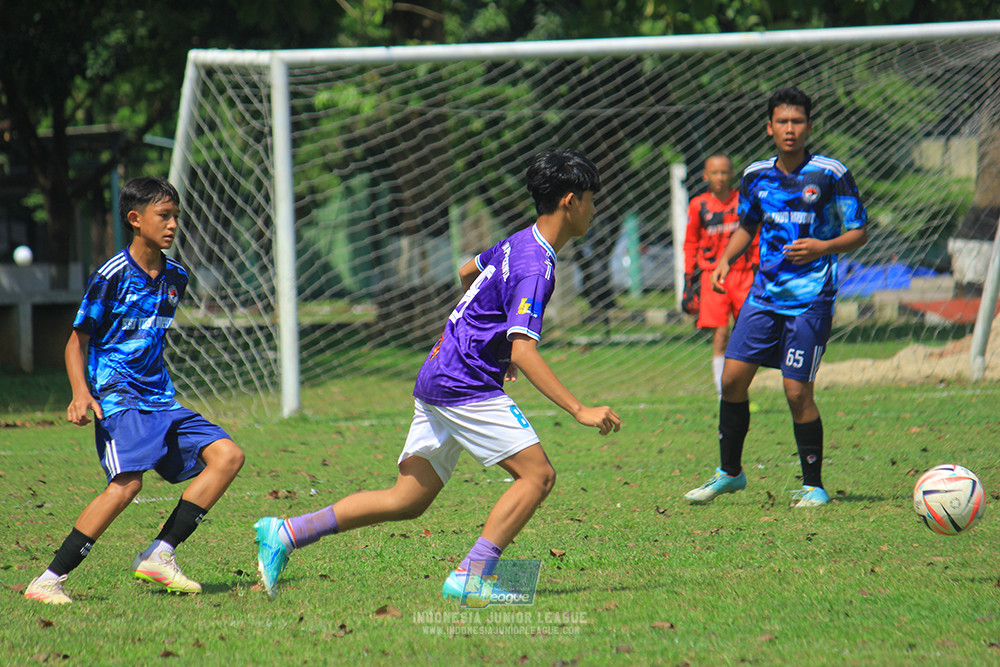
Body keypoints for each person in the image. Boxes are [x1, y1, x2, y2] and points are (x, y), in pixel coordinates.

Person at [254, 149, 622, 599]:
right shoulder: (536, 265)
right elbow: (525, 351)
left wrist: (486, 338)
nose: (594, 209)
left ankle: (286, 532)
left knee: (406, 500)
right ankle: (472, 576)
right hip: (463, 382)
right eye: (590, 199)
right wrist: (579, 409)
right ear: (570, 201)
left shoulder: (517, 242)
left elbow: (468, 271)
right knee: (538, 476)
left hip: (439, 371)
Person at [23, 177, 245, 605]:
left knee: (227, 455)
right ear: (135, 219)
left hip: (161, 397)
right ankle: (49, 579)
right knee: (126, 486)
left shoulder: (176, 277)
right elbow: (77, 340)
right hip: (118, 398)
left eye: (176, 216)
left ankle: (160, 555)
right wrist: (80, 393)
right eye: (164, 216)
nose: (173, 224)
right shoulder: (110, 276)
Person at [684, 87, 868, 508]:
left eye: (798, 121)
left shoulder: (830, 174)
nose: (790, 129)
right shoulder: (755, 176)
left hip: (811, 300)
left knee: (796, 391)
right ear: (769, 128)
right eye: (782, 122)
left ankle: (813, 486)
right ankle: (730, 473)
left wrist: (822, 247)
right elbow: (748, 223)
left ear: (809, 126)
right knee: (731, 379)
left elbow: (859, 232)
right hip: (764, 296)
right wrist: (725, 261)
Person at [682, 154, 758, 398]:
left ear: (731, 174)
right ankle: (721, 390)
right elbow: (691, 242)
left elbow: (754, 235)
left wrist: (758, 267)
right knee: (721, 332)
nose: (720, 177)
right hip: (712, 276)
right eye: (715, 173)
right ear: (706, 176)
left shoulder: (743, 201)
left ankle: (741, 386)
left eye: (724, 172)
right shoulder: (698, 205)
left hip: (743, 273)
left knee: (746, 331)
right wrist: (687, 280)